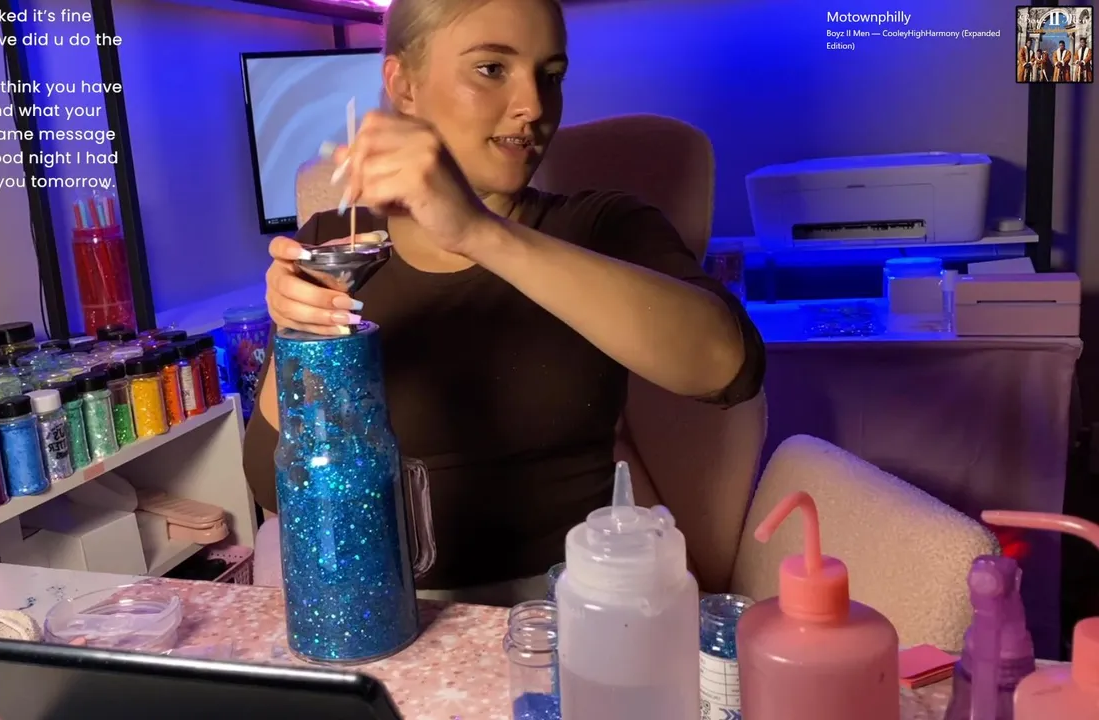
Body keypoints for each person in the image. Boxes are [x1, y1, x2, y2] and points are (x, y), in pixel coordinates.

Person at [243, 0, 765, 606]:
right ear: (404, 85)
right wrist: (299, 337)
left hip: (569, 610)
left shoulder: (602, 227)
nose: (535, 106)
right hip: (381, 611)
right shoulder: (338, 246)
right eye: (492, 68)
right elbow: (273, 483)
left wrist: (477, 231)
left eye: (551, 75)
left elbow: (727, 366)